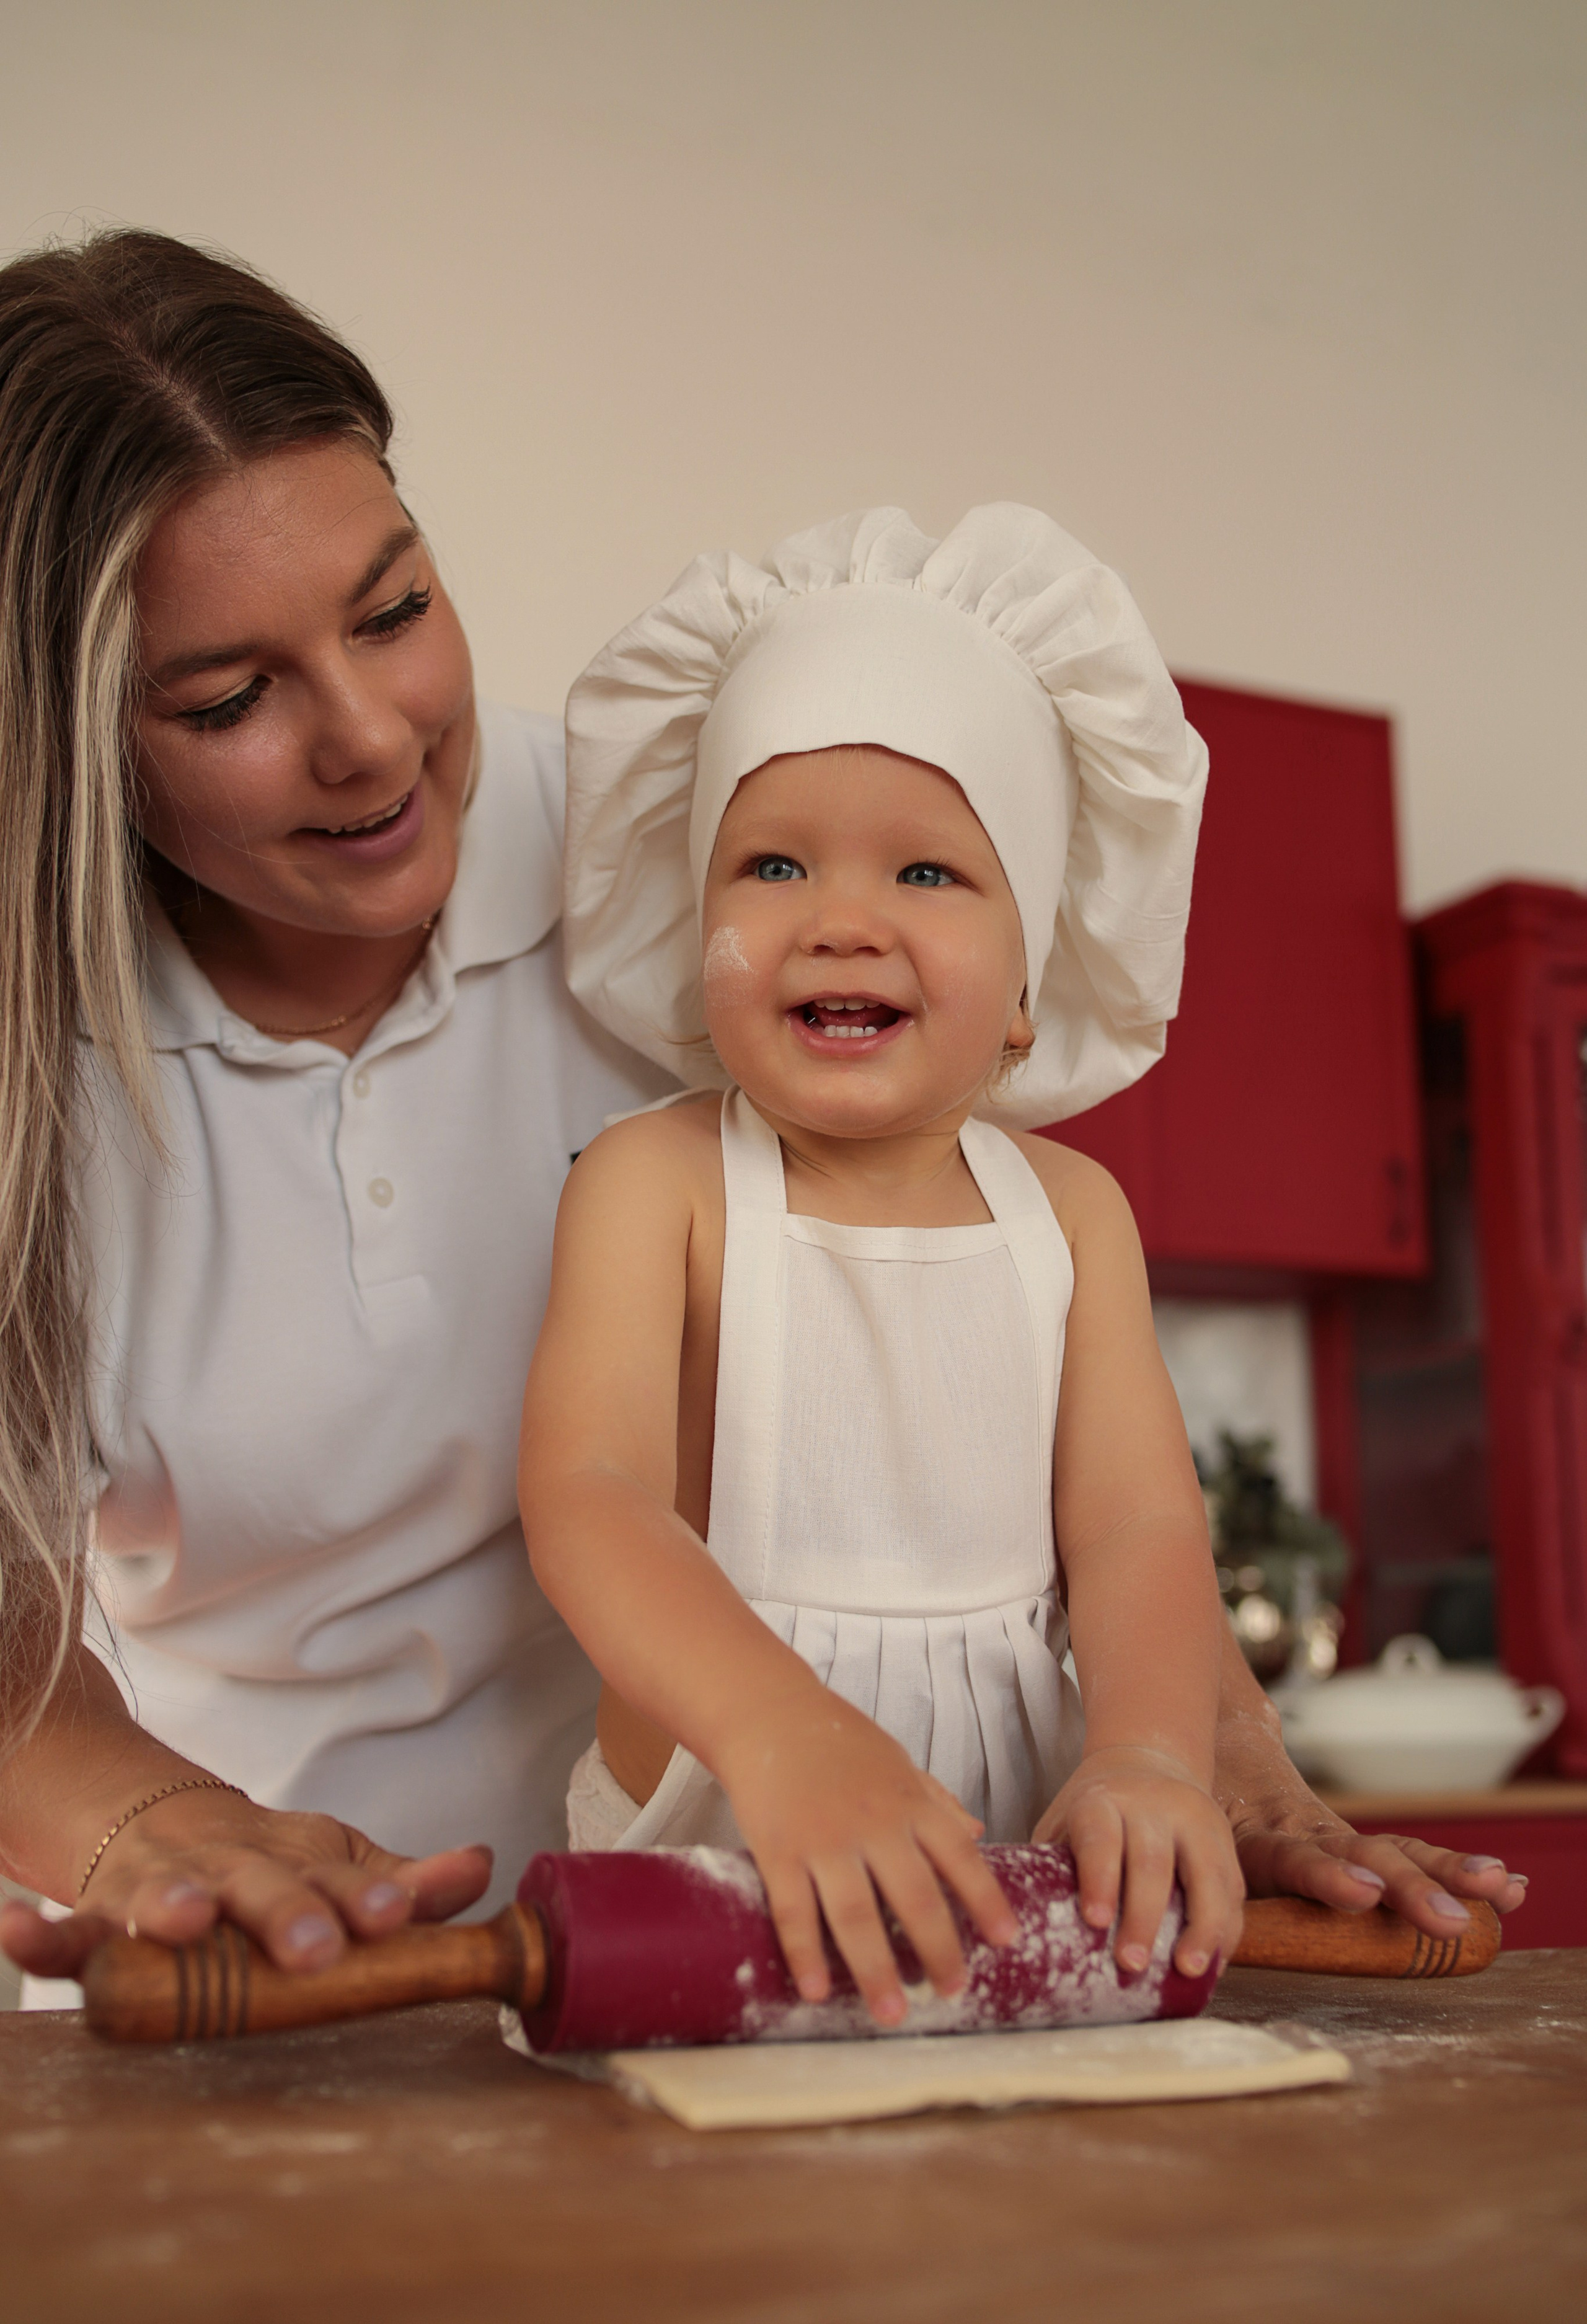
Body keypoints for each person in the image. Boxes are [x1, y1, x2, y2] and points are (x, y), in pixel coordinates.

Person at [0, 232, 1520, 2008]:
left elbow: (1090, 1477)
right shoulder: (41, 1068)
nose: (372, 737)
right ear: (70, 739)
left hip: (789, 1920)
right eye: (231, 699)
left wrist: (1195, 1754)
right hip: (287, 1950)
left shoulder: (697, 873)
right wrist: (135, 1826)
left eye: (396, 608)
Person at [518, 508, 1518, 2023]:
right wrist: (783, 1735)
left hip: (1028, 1850)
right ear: (693, 922)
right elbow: (589, 1497)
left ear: (1028, 991)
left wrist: (1145, 1758)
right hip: (721, 1811)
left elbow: (1130, 1527)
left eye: (926, 875)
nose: (839, 921)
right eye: (771, 863)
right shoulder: (652, 1183)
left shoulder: (1073, 1214)